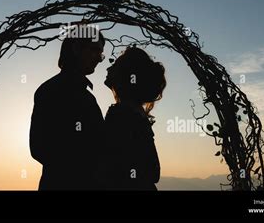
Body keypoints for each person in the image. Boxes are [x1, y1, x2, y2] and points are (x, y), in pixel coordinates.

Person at [29, 24, 105, 190]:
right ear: (77, 48)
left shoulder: (86, 97)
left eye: (100, 53)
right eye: (94, 50)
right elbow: (39, 147)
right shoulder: (51, 91)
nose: (99, 58)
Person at [102, 46, 166, 190]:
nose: (108, 69)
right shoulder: (135, 112)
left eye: (115, 65)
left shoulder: (121, 113)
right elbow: (153, 171)